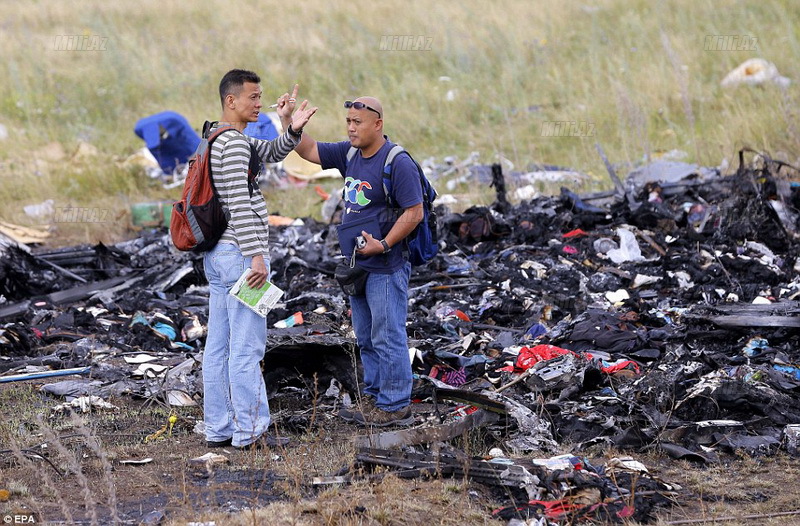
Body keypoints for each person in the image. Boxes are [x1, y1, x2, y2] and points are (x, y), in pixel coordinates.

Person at [202, 70, 316, 449]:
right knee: (247, 347)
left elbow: (267, 152)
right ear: (230, 100)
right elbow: (239, 207)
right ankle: (250, 432)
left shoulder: (218, 138)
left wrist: (290, 127)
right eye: (252, 97)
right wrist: (256, 258)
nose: (258, 103)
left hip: (218, 255)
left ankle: (218, 428)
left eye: (261, 96)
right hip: (239, 256)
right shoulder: (233, 145)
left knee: (218, 345)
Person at [294, 96, 423, 426]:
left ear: (378, 124)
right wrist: (290, 125)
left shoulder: (397, 161)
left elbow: (414, 212)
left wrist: (383, 244)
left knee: (387, 334)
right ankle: (375, 400)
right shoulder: (349, 153)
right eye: (348, 121)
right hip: (357, 264)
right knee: (365, 336)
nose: (351, 128)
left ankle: (395, 405)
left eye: (358, 122)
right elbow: (309, 151)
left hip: (386, 264)